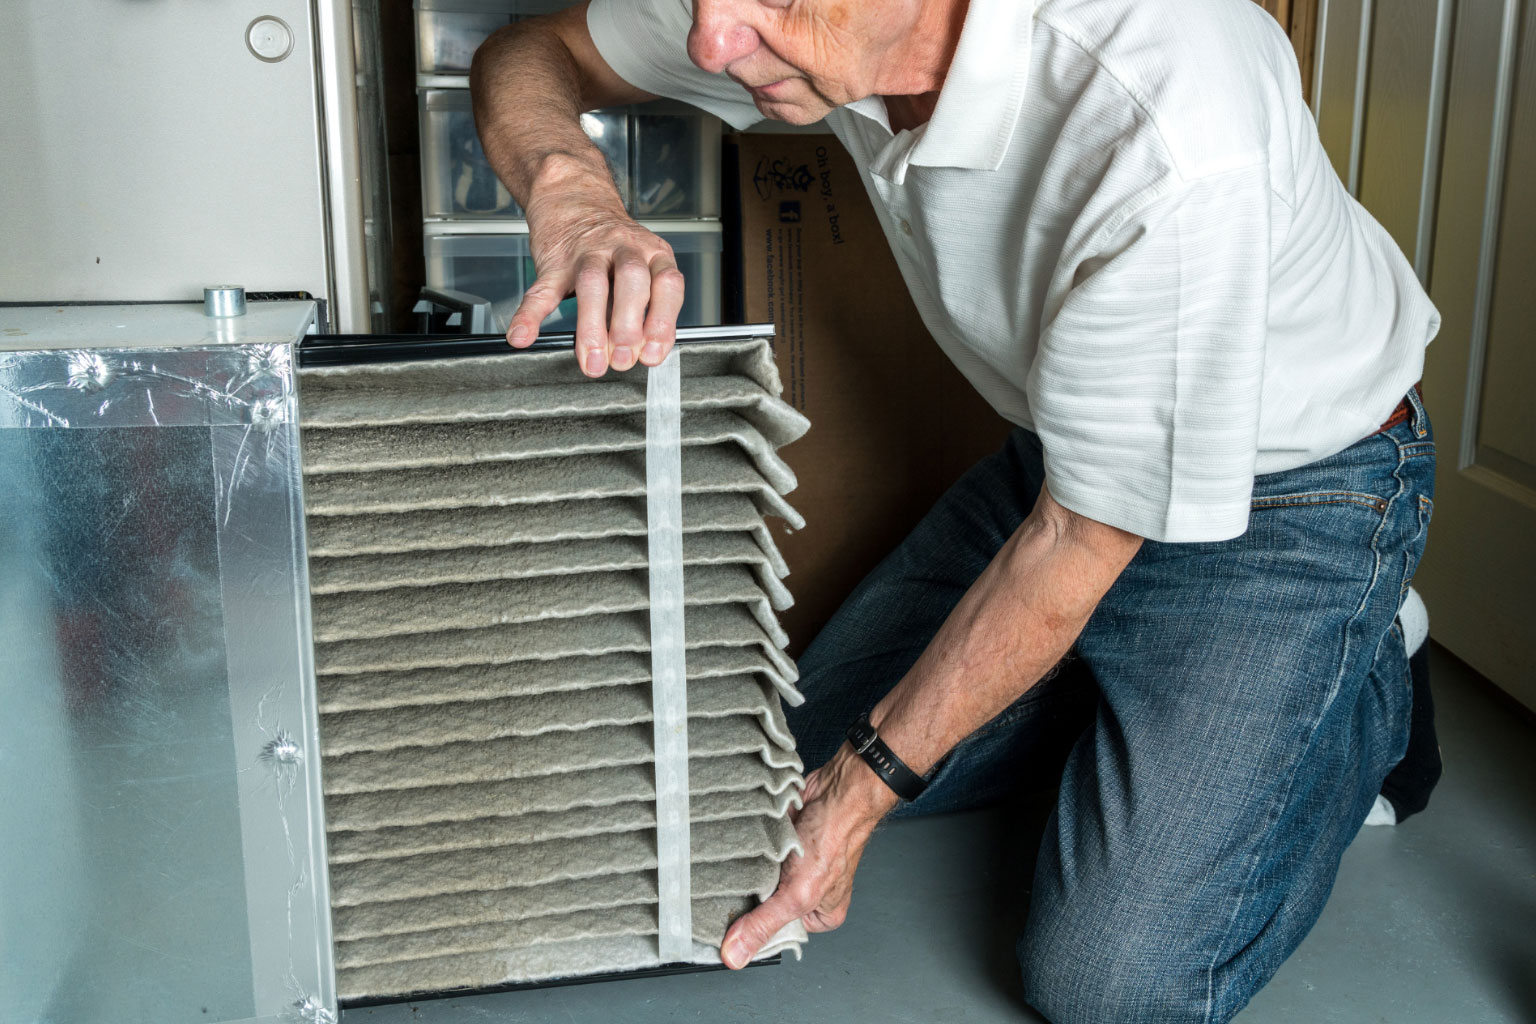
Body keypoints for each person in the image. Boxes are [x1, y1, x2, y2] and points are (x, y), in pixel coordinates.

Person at [470, 1, 1442, 1019]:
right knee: (761, 788)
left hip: (1291, 492)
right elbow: (530, 50)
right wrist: (570, 185)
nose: (713, 43)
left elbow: (1080, 543)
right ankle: (1123, 687)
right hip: (1066, 473)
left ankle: (1371, 667)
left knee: (1114, 983)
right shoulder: (774, 22)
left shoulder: (1170, 108)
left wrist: (860, 795)